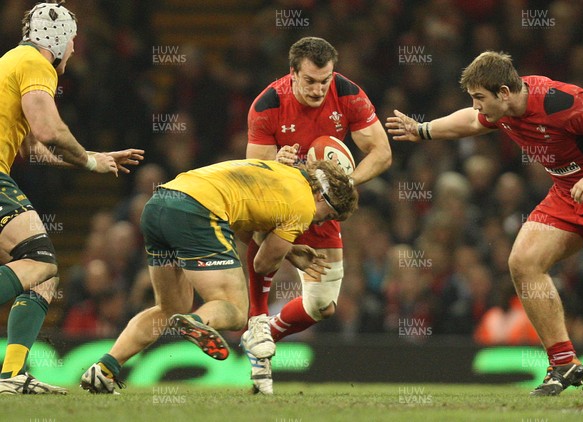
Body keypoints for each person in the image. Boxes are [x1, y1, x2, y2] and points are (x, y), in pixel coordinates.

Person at [386, 50, 583, 396]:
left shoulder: (565, 103)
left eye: (479, 98)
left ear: (503, 92)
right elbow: (470, 122)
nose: (476, 106)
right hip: (568, 190)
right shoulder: (501, 109)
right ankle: (563, 364)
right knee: (524, 262)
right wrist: (423, 129)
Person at [80, 158, 358, 394]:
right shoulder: (304, 206)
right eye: (327, 215)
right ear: (322, 195)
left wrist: (288, 250)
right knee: (236, 310)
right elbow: (262, 265)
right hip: (198, 211)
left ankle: (105, 368)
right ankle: (198, 321)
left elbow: (245, 226)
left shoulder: (283, 173)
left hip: (160, 205)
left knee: (169, 307)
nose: (320, 222)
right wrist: (285, 249)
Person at [0, 1, 144, 394]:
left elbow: (32, 147)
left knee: (42, 278)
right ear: (59, 38)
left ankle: (11, 375)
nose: (76, 50)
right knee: (39, 261)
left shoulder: (12, 61)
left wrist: (92, 159)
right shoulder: (34, 64)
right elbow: (50, 131)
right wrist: (92, 165)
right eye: (74, 41)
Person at [244, 36, 391, 394]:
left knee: (323, 305)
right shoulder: (268, 104)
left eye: (324, 81)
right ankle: (257, 320)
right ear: (292, 73)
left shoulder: (348, 93)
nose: (318, 89)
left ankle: (270, 332)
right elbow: (252, 173)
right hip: (280, 198)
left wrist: (339, 184)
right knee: (268, 251)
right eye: (309, 81)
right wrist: (275, 165)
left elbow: (382, 153)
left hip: (322, 208)